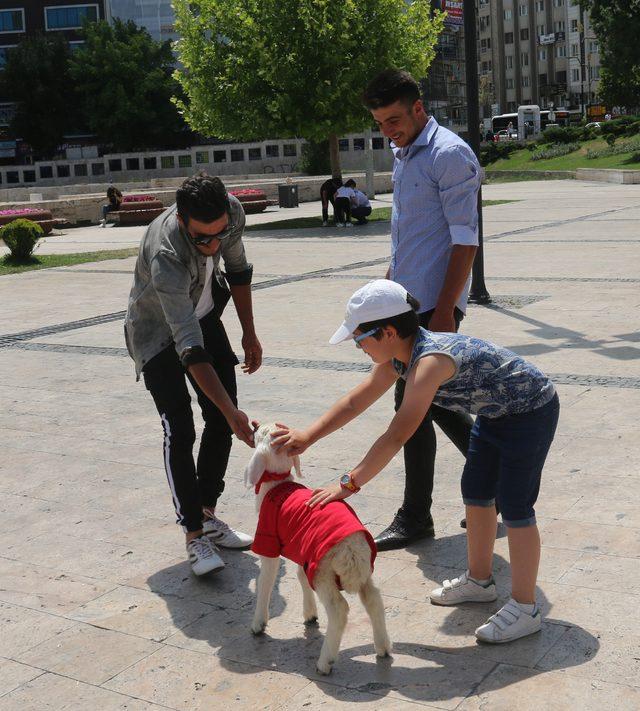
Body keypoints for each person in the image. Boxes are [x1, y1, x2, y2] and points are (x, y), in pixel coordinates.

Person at [272, 279, 560, 644]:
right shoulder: (401, 355)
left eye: (360, 338)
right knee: (475, 492)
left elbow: (397, 434)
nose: (357, 346)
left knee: (517, 506)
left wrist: (348, 484)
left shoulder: (428, 362)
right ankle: (480, 581)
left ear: (388, 331)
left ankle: (525, 606)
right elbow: (356, 400)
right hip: (495, 414)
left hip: (530, 410)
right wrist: (308, 436)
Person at [360, 68, 481, 550]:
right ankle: (490, 486)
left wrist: (447, 311)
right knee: (437, 406)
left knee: (413, 407)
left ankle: (417, 517)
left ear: (418, 107)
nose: (388, 130)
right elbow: (408, 231)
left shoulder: (448, 153)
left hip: (436, 306)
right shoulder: (404, 153)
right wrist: (390, 284)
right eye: (380, 123)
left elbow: (464, 239)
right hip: (408, 303)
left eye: (394, 119)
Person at [124, 173, 261, 576]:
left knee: (222, 417)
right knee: (180, 429)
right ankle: (194, 536)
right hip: (158, 335)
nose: (214, 245)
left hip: (203, 317)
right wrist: (231, 411)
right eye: (204, 239)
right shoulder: (166, 252)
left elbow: (237, 270)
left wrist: (249, 332)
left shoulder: (229, 214)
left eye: (220, 233)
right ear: (183, 221)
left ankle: (207, 512)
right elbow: (188, 345)